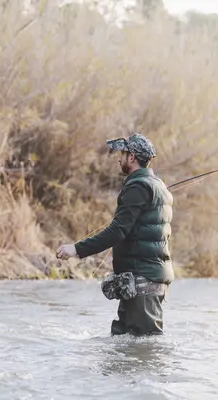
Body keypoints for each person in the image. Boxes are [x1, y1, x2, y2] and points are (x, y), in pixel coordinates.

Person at [55, 133, 174, 336]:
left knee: (145, 351)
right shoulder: (157, 186)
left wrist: (76, 249)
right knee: (125, 343)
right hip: (142, 281)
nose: (119, 158)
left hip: (142, 282)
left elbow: (117, 231)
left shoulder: (138, 186)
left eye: (123, 153)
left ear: (132, 157)